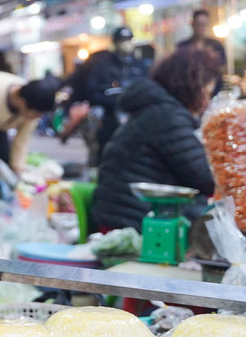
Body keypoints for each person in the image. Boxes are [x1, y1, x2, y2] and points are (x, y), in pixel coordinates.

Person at [91, 50, 217, 231]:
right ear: (190, 86)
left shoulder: (153, 108)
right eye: (205, 93)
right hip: (134, 223)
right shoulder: (167, 116)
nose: (206, 102)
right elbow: (204, 178)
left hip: (117, 215)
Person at [63, 27, 147, 150]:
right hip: (109, 117)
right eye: (122, 41)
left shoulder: (139, 66)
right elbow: (93, 91)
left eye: (128, 40)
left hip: (136, 117)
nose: (126, 44)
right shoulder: (103, 65)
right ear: (115, 43)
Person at [177, 9, 227, 89]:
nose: (201, 27)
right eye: (198, 24)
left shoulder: (216, 45)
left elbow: (221, 67)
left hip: (213, 90)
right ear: (192, 24)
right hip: (189, 90)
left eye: (204, 24)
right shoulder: (182, 46)